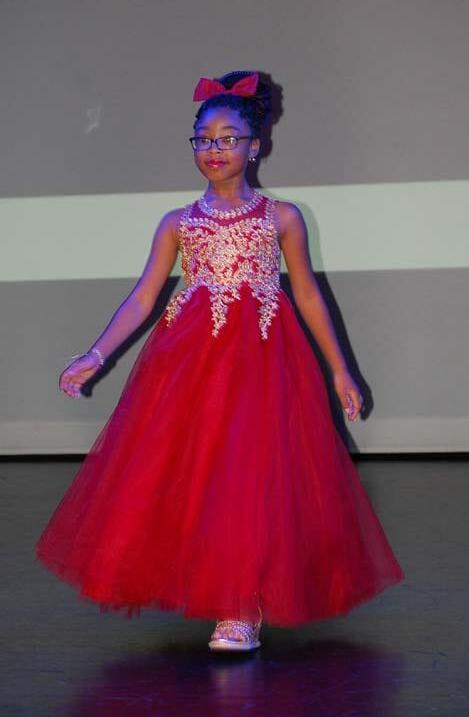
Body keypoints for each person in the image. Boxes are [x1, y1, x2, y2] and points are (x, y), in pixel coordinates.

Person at [36, 70, 405, 653]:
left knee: (250, 474)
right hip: (191, 362)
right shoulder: (177, 223)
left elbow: (308, 294)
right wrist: (97, 354)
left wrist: (340, 369)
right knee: (194, 476)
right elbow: (143, 297)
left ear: (255, 146)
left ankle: (240, 607)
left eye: (229, 138)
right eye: (204, 139)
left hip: (264, 357)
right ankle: (212, 587)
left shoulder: (281, 217)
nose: (215, 149)